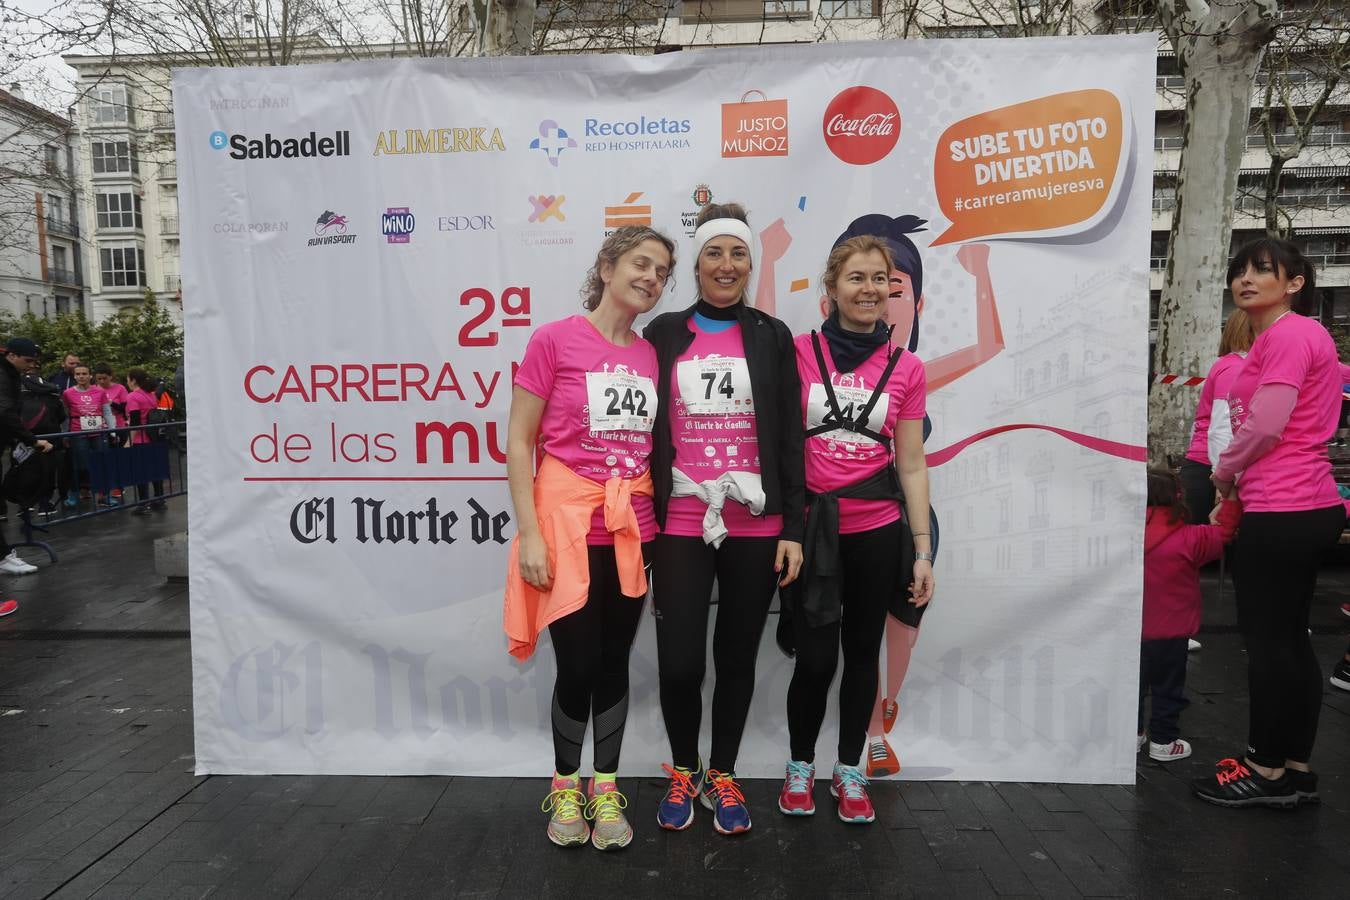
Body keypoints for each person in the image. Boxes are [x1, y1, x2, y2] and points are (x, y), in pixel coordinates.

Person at [503, 225, 674, 851]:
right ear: (606, 267)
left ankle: (606, 788)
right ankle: (565, 785)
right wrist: (529, 534)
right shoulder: (553, 340)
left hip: (631, 531)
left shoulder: (650, 354)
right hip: (564, 525)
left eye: (661, 271)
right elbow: (520, 443)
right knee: (575, 665)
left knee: (613, 664)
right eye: (640, 263)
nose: (651, 278)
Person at [643, 202, 804, 836]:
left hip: (757, 523)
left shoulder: (771, 334)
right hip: (681, 519)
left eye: (738, 253)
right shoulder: (663, 333)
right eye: (715, 253)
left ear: (750, 263)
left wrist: (792, 525)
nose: (727, 265)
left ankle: (725, 772)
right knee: (681, 662)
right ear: (697, 264)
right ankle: (684, 767)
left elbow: (791, 436)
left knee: (737, 657)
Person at [776, 236, 933, 825]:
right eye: (857, 279)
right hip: (813, 531)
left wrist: (922, 551)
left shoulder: (908, 367)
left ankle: (848, 771)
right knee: (814, 659)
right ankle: (799, 769)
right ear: (832, 289)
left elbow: (912, 463)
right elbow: (782, 445)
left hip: (878, 529)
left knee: (862, 654)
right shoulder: (799, 352)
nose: (870, 291)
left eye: (881, 282)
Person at [1191, 238, 1344, 809]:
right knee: (1288, 643)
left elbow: (1265, 425)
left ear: (1296, 282)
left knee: (1270, 645)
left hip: (1285, 508)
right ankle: (1294, 767)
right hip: (1298, 505)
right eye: (1239, 271)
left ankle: (1264, 767)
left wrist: (1224, 474)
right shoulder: (1282, 339)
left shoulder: (1290, 334)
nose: (1246, 279)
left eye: (1262, 269)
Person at [1139, 469, 1239, 763]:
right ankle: (1163, 741)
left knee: (1132, 685)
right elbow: (1226, 530)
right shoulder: (1192, 538)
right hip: (1173, 632)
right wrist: (1229, 495)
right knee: (1168, 687)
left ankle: (1131, 736)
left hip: (1130, 628)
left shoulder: (1123, 538)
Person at [1177, 311, 1254, 525]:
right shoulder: (1235, 368)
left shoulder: (1235, 365)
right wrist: (1223, 484)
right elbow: (1221, 428)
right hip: (1212, 470)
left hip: (1214, 467)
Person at [0, 339, 56, 614]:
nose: (31, 367)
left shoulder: (9, 373)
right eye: (28, 361)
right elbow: (5, 412)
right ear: (11, 355)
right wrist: (31, 441)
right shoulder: (2, 375)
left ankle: (3, 555)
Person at [60, 364, 113, 508]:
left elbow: (107, 412)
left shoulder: (99, 392)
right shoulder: (67, 393)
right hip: (78, 433)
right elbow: (65, 415)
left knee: (102, 463)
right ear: (74, 376)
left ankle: (104, 496)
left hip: (99, 432)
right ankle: (74, 495)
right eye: (78, 374)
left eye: (84, 373)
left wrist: (113, 431)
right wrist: (65, 434)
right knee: (79, 465)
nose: (81, 376)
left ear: (90, 375)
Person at [124, 369, 166, 514]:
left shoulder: (133, 396)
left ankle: (143, 503)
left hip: (140, 439)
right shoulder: (151, 395)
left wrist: (128, 441)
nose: (127, 382)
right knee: (155, 471)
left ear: (134, 380)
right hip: (153, 437)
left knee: (140, 473)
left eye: (128, 379)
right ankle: (159, 499)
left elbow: (135, 421)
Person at [93, 364, 128, 503]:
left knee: (117, 458)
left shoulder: (120, 388)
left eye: (104, 378)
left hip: (117, 427)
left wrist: (110, 402)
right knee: (102, 458)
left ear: (110, 377)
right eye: (99, 379)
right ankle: (103, 489)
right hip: (100, 427)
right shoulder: (94, 389)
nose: (101, 381)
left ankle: (118, 486)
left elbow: (124, 408)